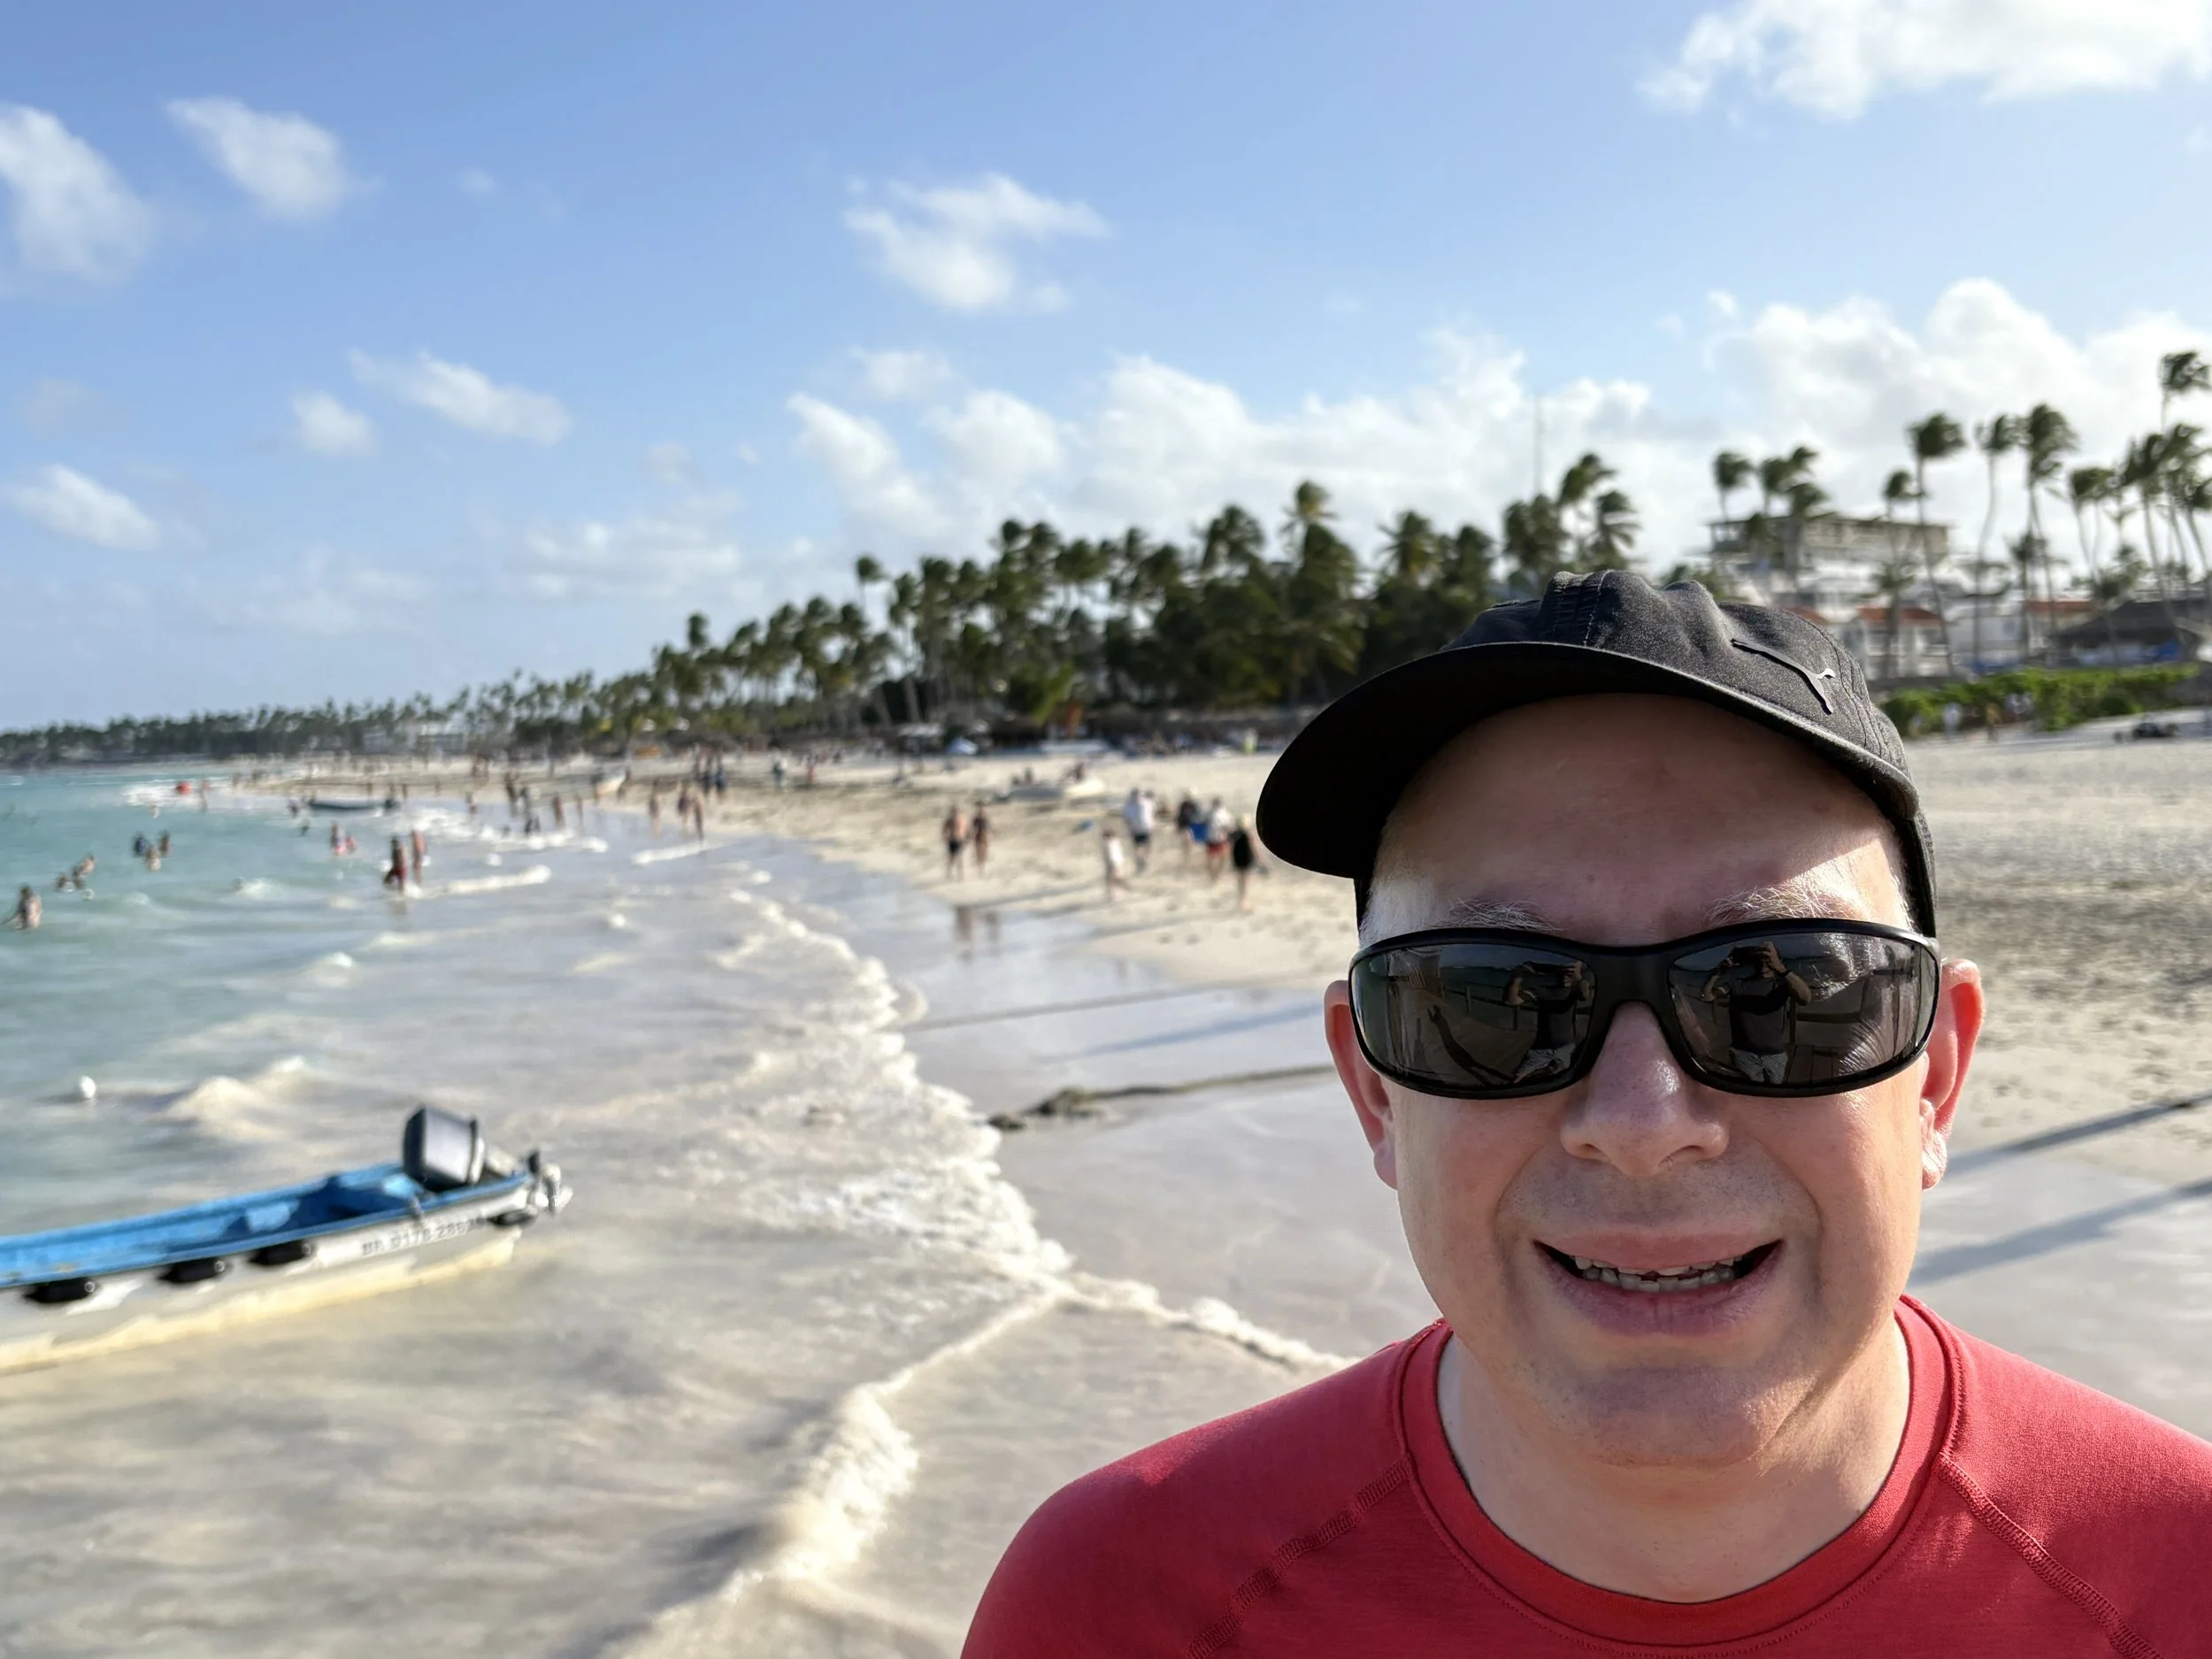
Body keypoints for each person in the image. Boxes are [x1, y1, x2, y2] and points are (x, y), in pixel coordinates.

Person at [964, 572, 2212, 1655]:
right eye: (1496, 1002)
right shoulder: (1119, 1605)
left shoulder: (2184, 1584)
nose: (1641, 1119)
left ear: (1933, 1074)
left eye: (1776, 989)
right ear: (1375, 1088)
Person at [1698, 939, 1812, 1085]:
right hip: (1743, 1055)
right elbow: (1707, 996)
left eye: (1767, 957)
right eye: (1759, 958)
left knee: (1773, 1098)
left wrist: (1782, 969)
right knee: (1749, 1097)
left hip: (1775, 1055)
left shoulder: (1782, 985)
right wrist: (1718, 972)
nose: (1763, 962)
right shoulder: (1737, 984)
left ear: (1777, 959)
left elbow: (1805, 998)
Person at [1227, 814, 1258, 911]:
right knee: (1246, 881)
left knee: (1240, 880)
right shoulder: (1248, 834)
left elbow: (1229, 845)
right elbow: (1253, 847)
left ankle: (1240, 900)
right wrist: (1259, 859)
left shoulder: (1234, 834)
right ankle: (1244, 901)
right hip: (1246, 858)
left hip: (1237, 858)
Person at [1123, 788, 1155, 872]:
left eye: (1140, 795)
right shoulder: (1129, 806)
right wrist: (1129, 829)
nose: (1138, 797)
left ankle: (1144, 859)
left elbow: (1151, 814)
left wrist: (1152, 824)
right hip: (1135, 828)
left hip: (1146, 827)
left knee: (1147, 846)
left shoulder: (1146, 803)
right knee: (1137, 847)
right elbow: (1127, 819)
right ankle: (1139, 861)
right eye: (1136, 795)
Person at [1100, 825, 1126, 902]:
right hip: (1119, 862)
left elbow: (1111, 855)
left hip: (1112, 863)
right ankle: (1114, 893)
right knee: (1116, 879)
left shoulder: (1108, 844)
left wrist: (1113, 865)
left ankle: (1113, 894)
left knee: (1111, 879)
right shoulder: (1116, 842)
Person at [943, 804, 970, 879]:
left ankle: (960, 875)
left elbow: (966, 830)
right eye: (953, 812)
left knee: (959, 858)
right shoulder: (949, 820)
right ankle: (949, 874)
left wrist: (967, 839)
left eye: (956, 812)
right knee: (951, 858)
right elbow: (944, 830)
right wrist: (946, 838)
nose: (955, 813)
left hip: (959, 840)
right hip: (952, 840)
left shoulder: (962, 820)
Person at [970, 803, 992, 876]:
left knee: (984, 853)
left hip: (985, 837)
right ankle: (980, 869)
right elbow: (973, 828)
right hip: (978, 837)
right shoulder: (976, 819)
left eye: (982, 808)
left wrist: (991, 834)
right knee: (978, 853)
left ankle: (982, 868)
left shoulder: (986, 818)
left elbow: (989, 827)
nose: (982, 810)